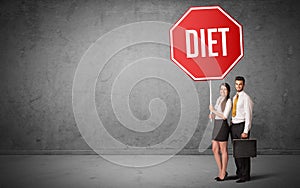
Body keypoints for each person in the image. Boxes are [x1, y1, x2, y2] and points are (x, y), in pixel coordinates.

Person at [230, 76, 254, 183]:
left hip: (242, 126)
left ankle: (245, 175)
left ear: (244, 85)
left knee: (243, 152)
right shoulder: (234, 97)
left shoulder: (246, 98)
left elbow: (248, 115)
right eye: (236, 84)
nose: (238, 86)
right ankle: (239, 173)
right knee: (236, 152)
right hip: (234, 126)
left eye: (240, 84)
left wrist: (245, 131)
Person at [209, 83, 232, 181]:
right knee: (214, 149)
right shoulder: (218, 99)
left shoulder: (229, 101)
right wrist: (212, 115)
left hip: (223, 126)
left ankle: (223, 172)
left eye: (225, 89)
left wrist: (213, 111)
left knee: (223, 150)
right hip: (216, 125)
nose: (223, 91)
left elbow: (224, 116)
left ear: (228, 91)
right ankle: (221, 170)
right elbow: (217, 114)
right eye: (221, 89)